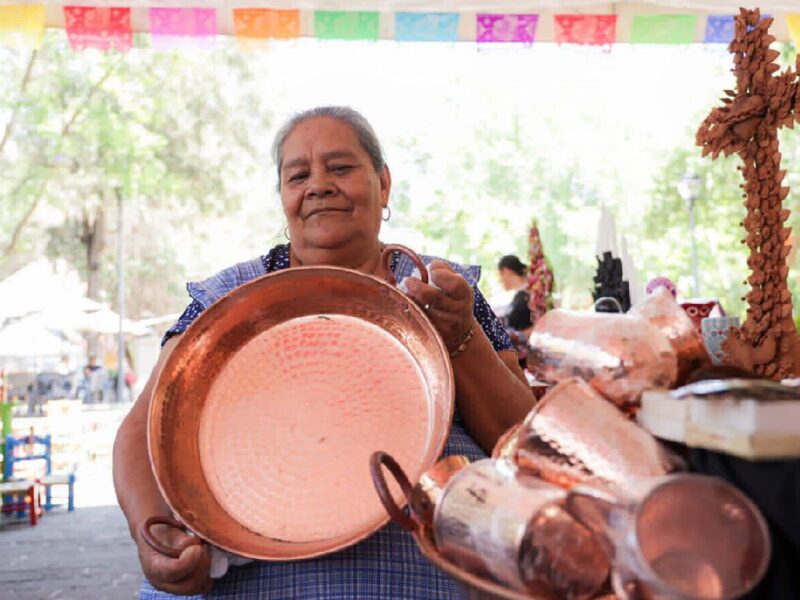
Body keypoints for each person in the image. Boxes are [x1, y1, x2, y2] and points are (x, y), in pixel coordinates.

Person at [113, 106, 536, 599]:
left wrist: (459, 335)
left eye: (340, 168)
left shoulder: (440, 290)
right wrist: (156, 535)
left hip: (427, 575)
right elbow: (143, 434)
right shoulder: (227, 300)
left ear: (384, 184)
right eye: (298, 175)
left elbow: (522, 445)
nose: (318, 185)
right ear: (284, 197)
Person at [497, 254, 533, 368]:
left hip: (527, 360)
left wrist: (518, 335)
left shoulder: (530, 295)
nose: (500, 280)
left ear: (506, 271)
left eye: (500, 275)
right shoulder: (520, 296)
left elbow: (540, 324)